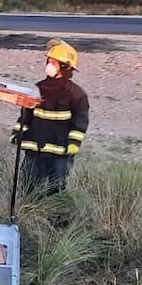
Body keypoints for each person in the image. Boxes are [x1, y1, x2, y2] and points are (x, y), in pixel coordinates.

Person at [11, 38, 89, 196]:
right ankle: (29, 215)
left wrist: (74, 143)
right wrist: (17, 133)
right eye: (49, 61)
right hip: (34, 150)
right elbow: (26, 115)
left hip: (59, 152)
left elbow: (80, 122)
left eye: (54, 62)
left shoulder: (76, 94)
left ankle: (56, 219)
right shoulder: (37, 89)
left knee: (57, 191)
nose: (49, 65)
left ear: (65, 66)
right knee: (29, 189)